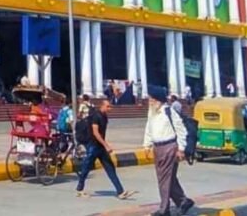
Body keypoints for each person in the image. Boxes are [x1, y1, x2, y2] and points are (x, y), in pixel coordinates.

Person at [144, 86, 194, 216]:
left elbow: (181, 130)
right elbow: (149, 128)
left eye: (151, 99)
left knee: (164, 179)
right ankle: (184, 201)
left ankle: (164, 209)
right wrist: (147, 145)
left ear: (158, 100)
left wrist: (181, 149)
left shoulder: (169, 112)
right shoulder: (152, 112)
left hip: (169, 147)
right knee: (168, 178)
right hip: (157, 147)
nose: (149, 102)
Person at [75, 99, 135, 200]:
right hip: (93, 146)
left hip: (100, 147)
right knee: (86, 168)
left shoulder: (104, 117)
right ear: (102, 106)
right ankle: (79, 189)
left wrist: (103, 145)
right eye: (108, 107)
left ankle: (120, 191)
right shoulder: (96, 116)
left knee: (110, 168)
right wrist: (106, 145)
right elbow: (96, 133)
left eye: (110, 107)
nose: (109, 109)